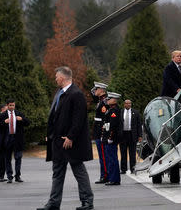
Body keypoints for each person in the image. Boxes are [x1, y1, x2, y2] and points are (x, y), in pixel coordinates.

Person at [37, 66, 94, 210]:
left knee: (79, 172)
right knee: (57, 173)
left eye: (56, 77)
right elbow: (55, 117)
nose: (55, 79)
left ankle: (87, 202)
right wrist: (49, 134)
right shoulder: (59, 93)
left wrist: (70, 137)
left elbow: (79, 119)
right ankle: (53, 203)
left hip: (70, 142)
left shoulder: (76, 94)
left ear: (62, 77)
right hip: (57, 141)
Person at [0, 99, 30, 183]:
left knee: (18, 157)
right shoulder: (2, 115)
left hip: (17, 139)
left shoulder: (19, 114)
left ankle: (18, 176)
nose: (12, 107)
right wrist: (4, 122)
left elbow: (28, 123)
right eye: (10, 105)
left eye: (13, 105)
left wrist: (21, 119)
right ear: (7, 105)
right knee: (7, 158)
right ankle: (9, 176)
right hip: (7, 139)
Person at [101, 92, 122, 185]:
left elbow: (113, 126)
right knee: (111, 159)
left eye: (109, 99)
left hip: (112, 139)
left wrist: (110, 137)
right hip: (109, 138)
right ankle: (113, 178)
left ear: (114, 100)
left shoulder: (114, 111)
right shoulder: (111, 110)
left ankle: (114, 179)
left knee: (112, 159)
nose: (107, 100)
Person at [90, 81, 109, 184]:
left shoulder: (104, 102)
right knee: (102, 156)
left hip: (101, 131)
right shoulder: (100, 101)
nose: (95, 90)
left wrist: (103, 133)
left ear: (101, 90)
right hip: (98, 131)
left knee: (103, 156)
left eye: (96, 89)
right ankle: (104, 174)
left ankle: (105, 175)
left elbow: (105, 119)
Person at [120, 99, 142, 174]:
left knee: (132, 153)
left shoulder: (135, 113)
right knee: (123, 153)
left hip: (132, 135)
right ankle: (123, 169)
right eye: (127, 103)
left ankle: (133, 168)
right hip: (123, 135)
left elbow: (139, 125)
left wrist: (140, 135)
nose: (129, 105)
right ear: (124, 104)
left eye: (130, 103)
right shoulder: (120, 112)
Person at [0, 104, 8, 182]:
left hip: (4, 141)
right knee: (0, 159)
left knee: (3, 159)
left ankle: (1, 176)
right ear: (2, 110)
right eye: (6, 110)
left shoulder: (5, 118)